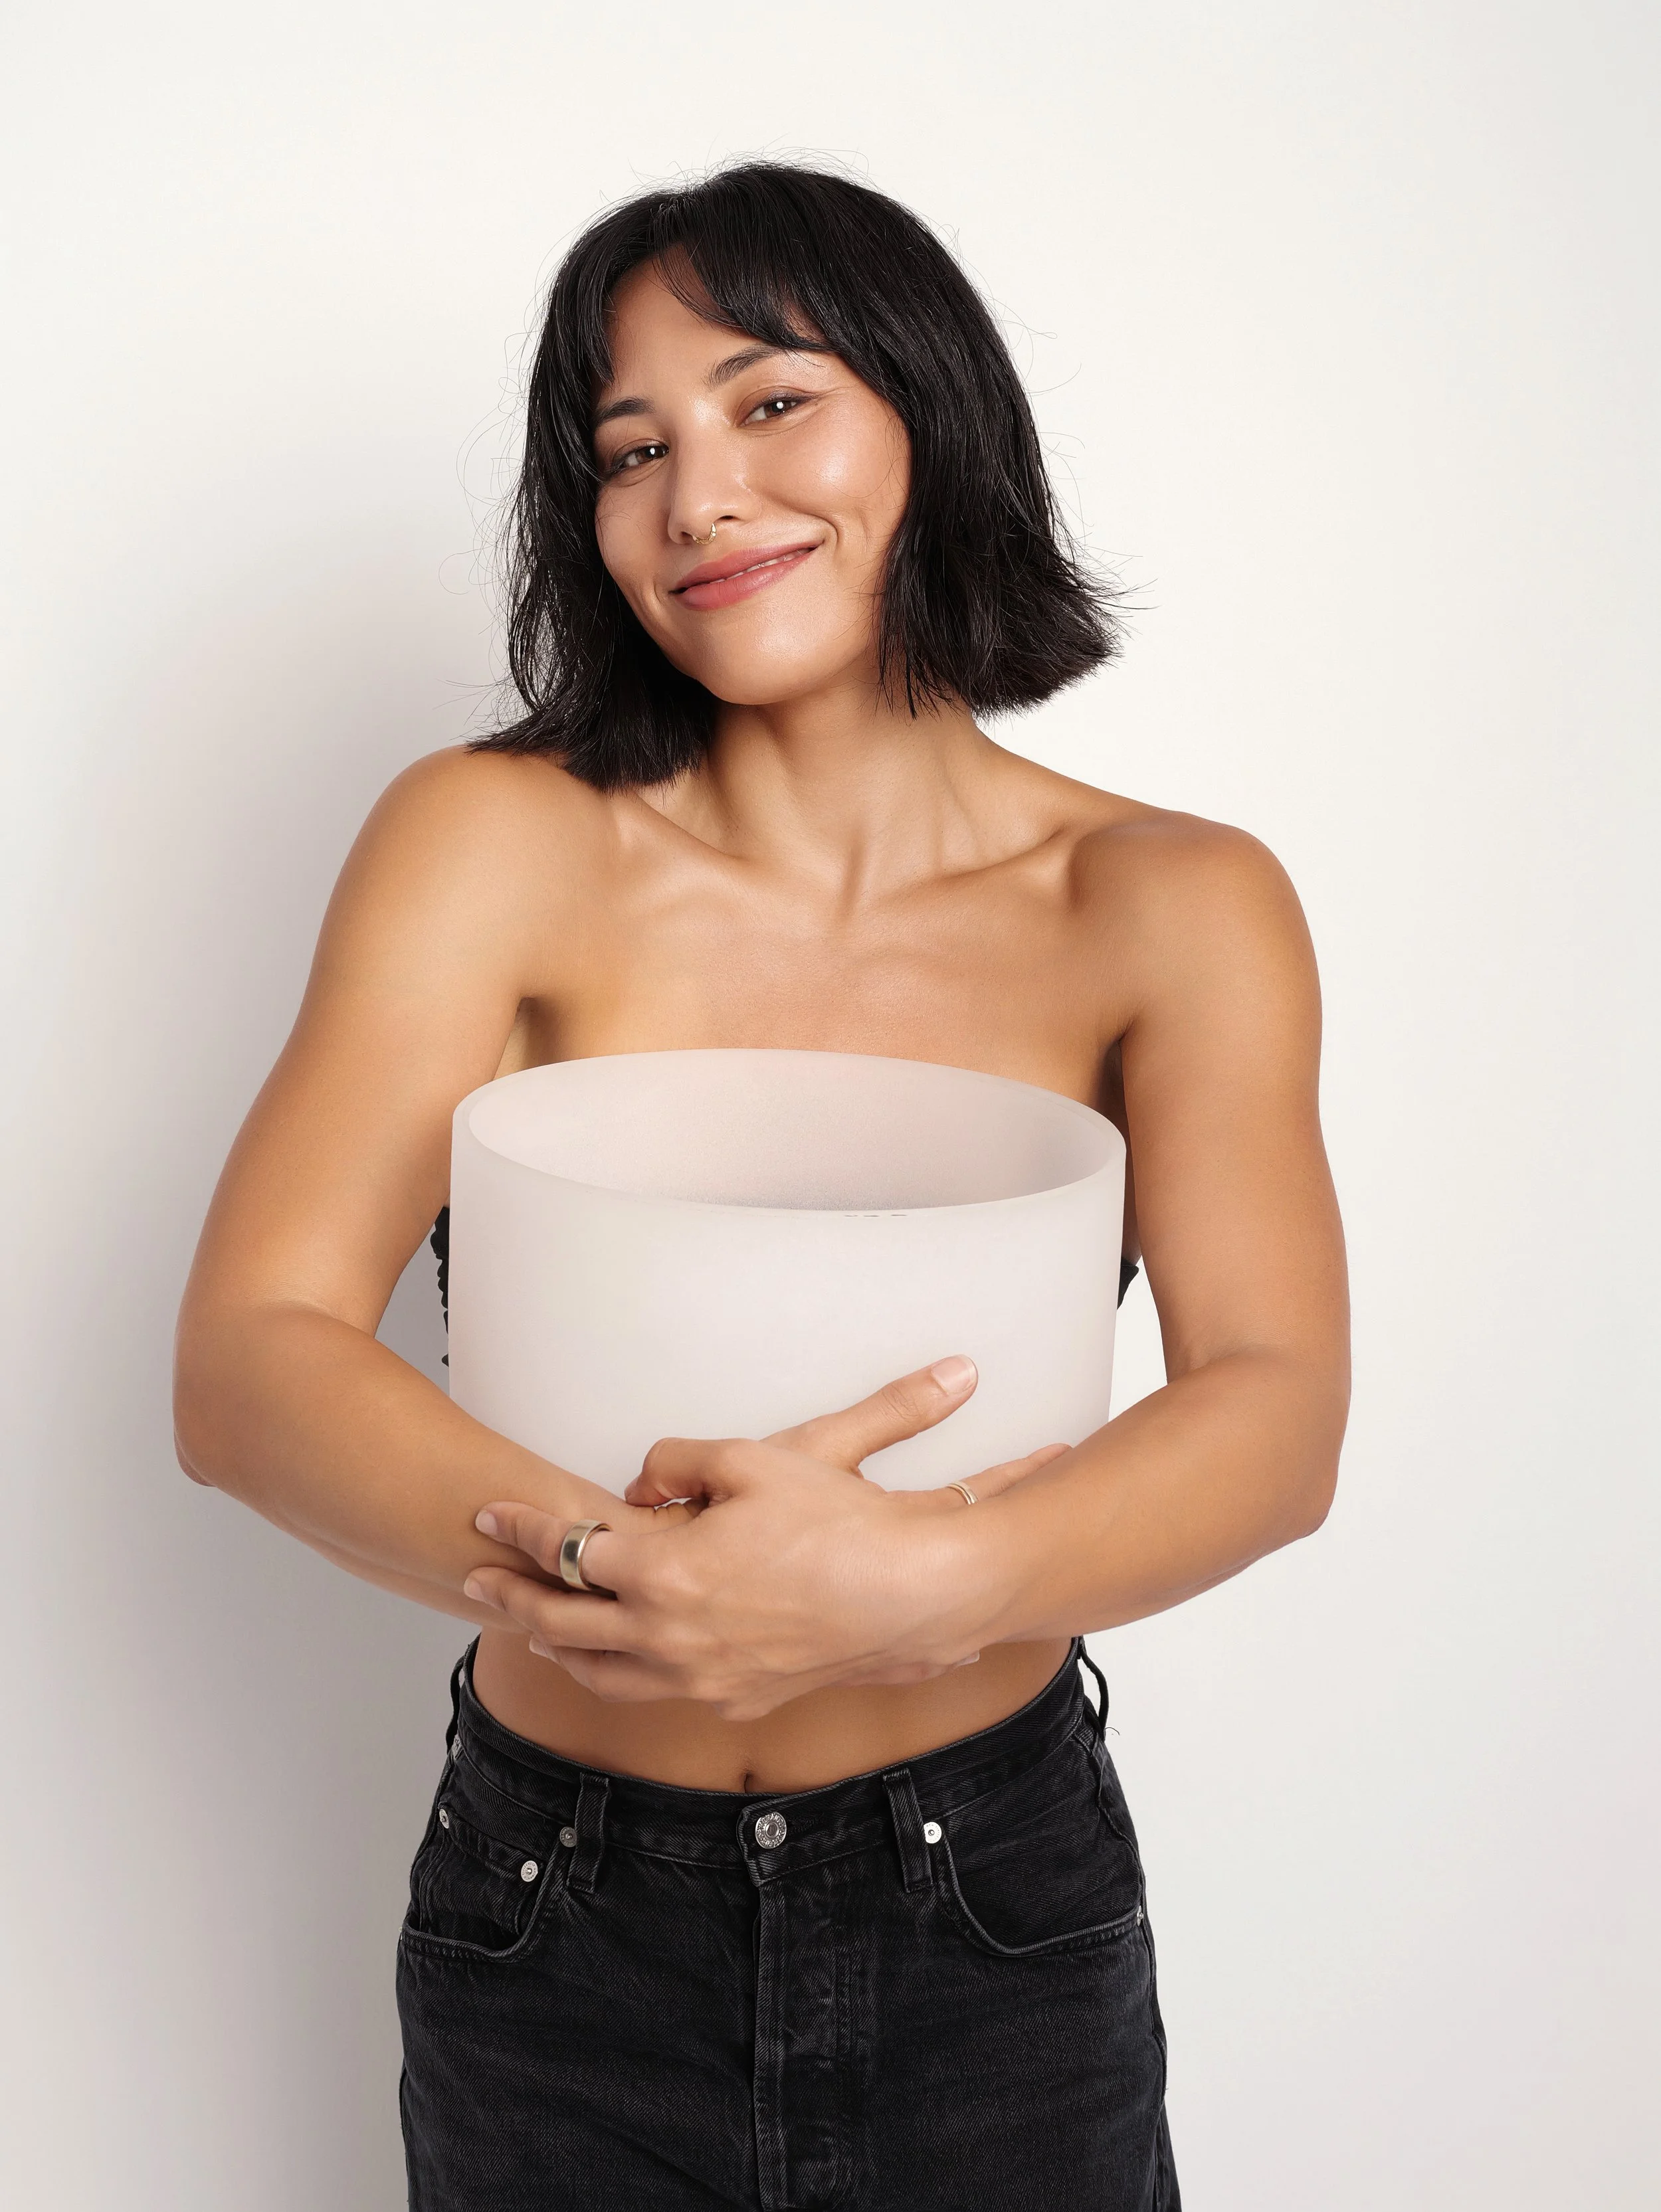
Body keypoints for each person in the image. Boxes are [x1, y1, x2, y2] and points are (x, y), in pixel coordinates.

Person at [174, 160, 1349, 2212]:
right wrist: (625, 1576)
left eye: (767, 401)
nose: (698, 495)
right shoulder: (488, 844)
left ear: (930, 411)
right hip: (558, 1910)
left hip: (988, 1896)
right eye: (631, 449)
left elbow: (1272, 1408)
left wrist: (918, 1583)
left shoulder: (1173, 904)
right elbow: (250, 1362)